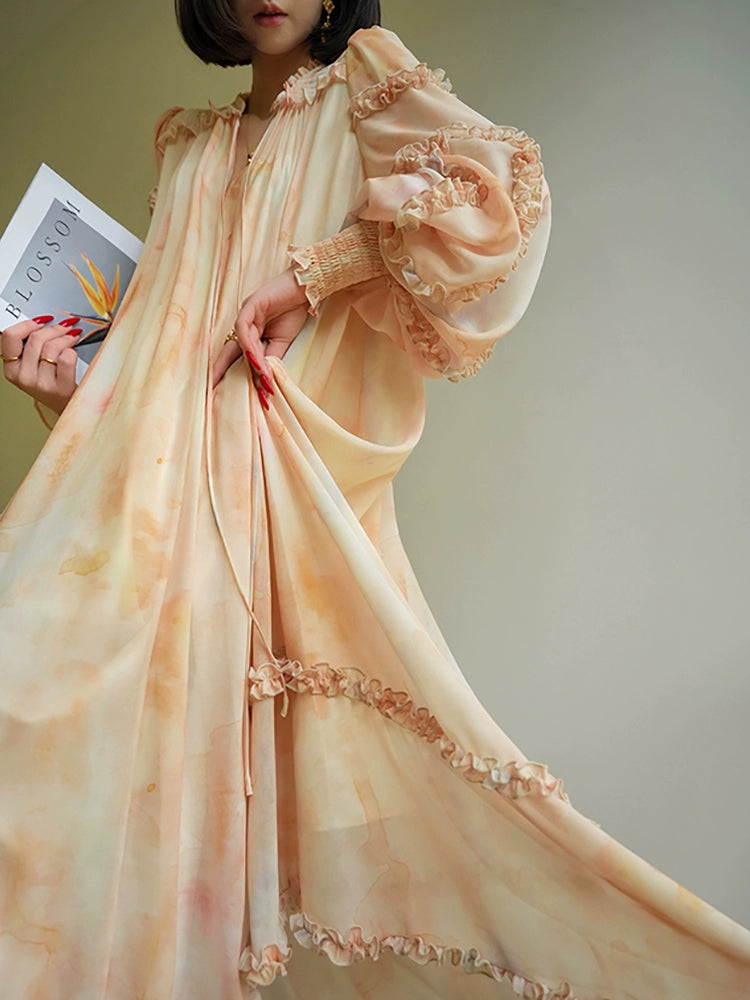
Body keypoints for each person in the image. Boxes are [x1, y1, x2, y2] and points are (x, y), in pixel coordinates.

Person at [1, 2, 749, 999]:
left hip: (282, 540)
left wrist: (318, 275)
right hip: (152, 535)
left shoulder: (363, 89)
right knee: (83, 800)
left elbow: (496, 200)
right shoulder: (188, 151)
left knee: (279, 837)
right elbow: (156, 380)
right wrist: (69, 400)